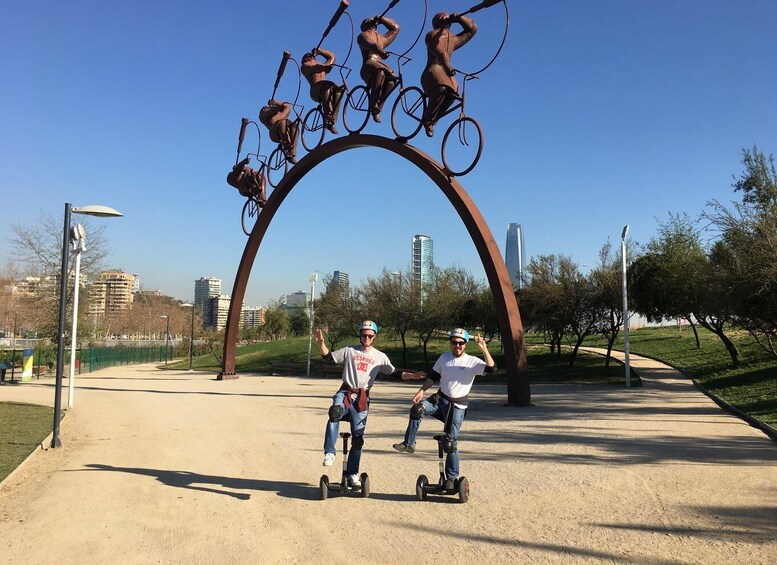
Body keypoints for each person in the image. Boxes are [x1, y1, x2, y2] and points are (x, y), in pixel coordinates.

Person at [316, 321, 422, 487]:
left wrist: (413, 376)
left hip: (363, 398)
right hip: (346, 392)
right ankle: (329, 452)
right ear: (360, 335)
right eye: (364, 335)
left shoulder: (379, 356)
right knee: (335, 412)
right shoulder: (349, 350)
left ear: (374, 337)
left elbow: (395, 373)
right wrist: (321, 343)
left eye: (370, 335)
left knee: (358, 439)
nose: (366, 338)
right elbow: (328, 358)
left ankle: (352, 473)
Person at [393, 328, 495, 490]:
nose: (457, 346)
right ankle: (409, 443)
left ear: (465, 344)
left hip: (457, 406)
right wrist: (421, 391)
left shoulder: (472, 361)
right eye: (454, 342)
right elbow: (433, 377)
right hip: (440, 400)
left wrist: (484, 349)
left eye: (461, 343)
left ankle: (452, 478)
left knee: (450, 443)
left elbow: (491, 369)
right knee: (417, 409)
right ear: (451, 343)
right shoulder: (444, 357)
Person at [420, 12, 477, 137]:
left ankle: (433, 119)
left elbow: (472, 29)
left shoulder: (452, 39)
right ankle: (428, 117)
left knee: (453, 95)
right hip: (433, 71)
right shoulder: (432, 35)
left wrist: (460, 18)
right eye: (441, 17)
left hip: (446, 72)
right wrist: (447, 66)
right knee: (441, 87)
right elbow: (440, 53)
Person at [356, 15, 400, 123]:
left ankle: (378, 107)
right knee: (379, 71)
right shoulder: (362, 36)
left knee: (392, 80)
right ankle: (373, 103)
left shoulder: (381, 38)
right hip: (368, 65)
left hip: (380, 64)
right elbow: (371, 45)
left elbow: (395, 29)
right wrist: (380, 51)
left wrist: (383, 19)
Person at [301, 47, 345, 134]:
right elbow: (316, 68)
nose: (308, 55)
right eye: (306, 56)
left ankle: (332, 119)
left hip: (326, 87)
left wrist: (320, 51)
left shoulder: (321, 66)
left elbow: (332, 57)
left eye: (310, 55)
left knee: (338, 89)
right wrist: (324, 67)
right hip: (315, 91)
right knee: (327, 85)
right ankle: (328, 114)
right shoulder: (305, 66)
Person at [259, 99, 299, 164]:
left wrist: (276, 102)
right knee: (282, 122)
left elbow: (288, 106)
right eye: (267, 108)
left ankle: (292, 152)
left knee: (294, 126)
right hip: (274, 134)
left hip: (285, 131)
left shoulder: (280, 115)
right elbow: (269, 113)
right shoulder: (264, 115)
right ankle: (287, 144)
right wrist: (276, 108)